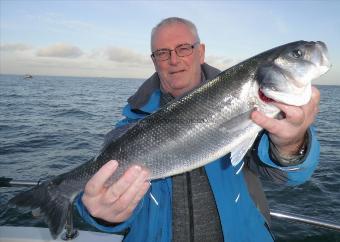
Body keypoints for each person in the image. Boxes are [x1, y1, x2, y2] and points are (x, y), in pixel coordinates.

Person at [76, 17, 320, 241]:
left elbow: (287, 176)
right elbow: (103, 202)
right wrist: (103, 215)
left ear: (200, 52)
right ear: (154, 61)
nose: (174, 60)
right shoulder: (132, 123)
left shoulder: (253, 106)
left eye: (184, 48)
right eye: (163, 53)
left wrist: (291, 143)